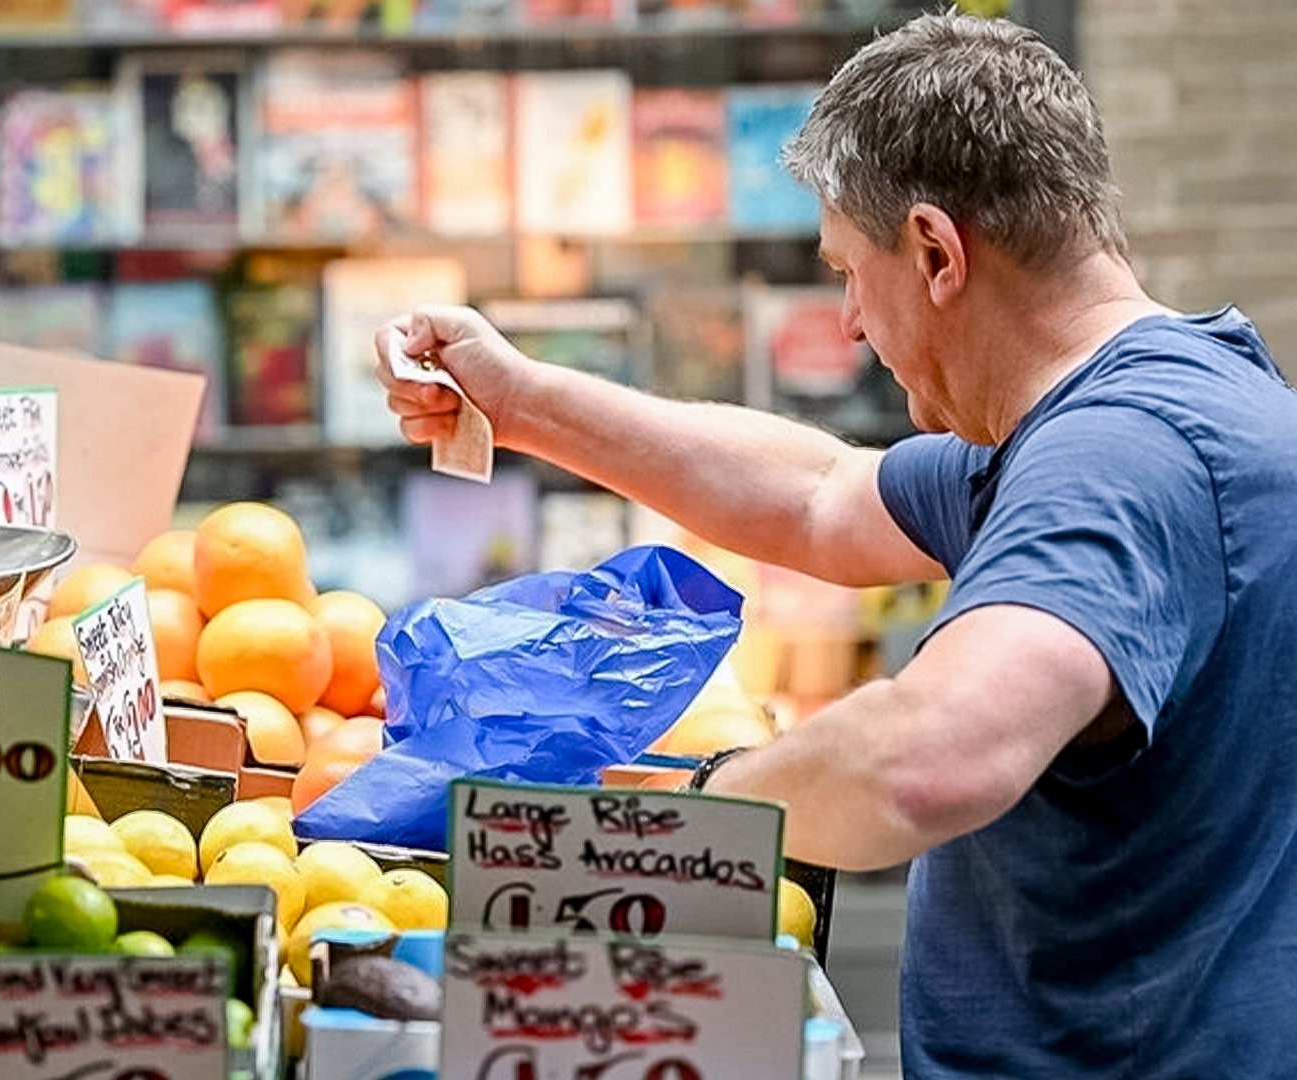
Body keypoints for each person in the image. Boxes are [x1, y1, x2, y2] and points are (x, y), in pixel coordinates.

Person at [377, 13, 1297, 1077]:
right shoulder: (1159, 408)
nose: (851, 323)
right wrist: (524, 401)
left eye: (850, 272)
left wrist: (681, 814)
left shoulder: (1114, 462)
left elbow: (925, 760)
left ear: (937, 251)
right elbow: (819, 497)